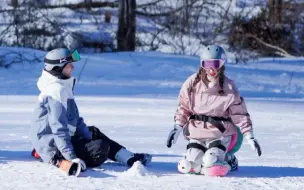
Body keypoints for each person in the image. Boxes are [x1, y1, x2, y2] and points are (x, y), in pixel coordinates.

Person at [30, 48, 152, 177]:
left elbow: (75, 120)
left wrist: (89, 138)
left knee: (93, 132)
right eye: (69, 65)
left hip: (60, 138)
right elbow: (58, 129)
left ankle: (128, 157)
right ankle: (49, 155)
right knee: (100, 147)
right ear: (57, 68)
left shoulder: (63, 86)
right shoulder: (55, 91)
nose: (72, 68)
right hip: (52, 144)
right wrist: (71, 157)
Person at [166, 45, 262, 176]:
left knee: (211, 163)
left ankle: (229, 160)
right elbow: (183, 107)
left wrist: (249, 135)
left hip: (220, 133)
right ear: (202, 64)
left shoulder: (228, 86)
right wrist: (177, 127)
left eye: (216, 64)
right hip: (197, 132)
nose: (212, 69)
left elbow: (239, 113)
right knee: (189, 166)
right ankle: (202, 159)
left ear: (222, 64)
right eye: (207, 64)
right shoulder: (192, 83)